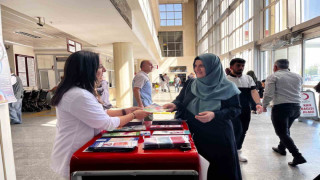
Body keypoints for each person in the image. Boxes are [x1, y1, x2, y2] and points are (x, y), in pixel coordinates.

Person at [50, 51, 151, 178]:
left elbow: (98, 113)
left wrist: (125, 111)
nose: (103, 70)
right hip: (74, 152)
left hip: (81, 150)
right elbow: (106, 123)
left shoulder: (78, 92)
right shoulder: (79, 95)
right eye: (99, 66)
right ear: (87, 69)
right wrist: (134, 115)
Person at [163, 53, 242, 180]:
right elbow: (180, 100)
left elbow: (235, 110)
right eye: (195, 65)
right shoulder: (191, 83)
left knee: (219, 170)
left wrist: (214, 115)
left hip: (218, 136)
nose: (197, 69)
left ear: (213, 67)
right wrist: (174, 105)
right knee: (197, 169)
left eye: (202, 66)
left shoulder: (228, 87)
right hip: (194, 135)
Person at [263, 59, 306, 166]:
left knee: (282, 132)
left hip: (281, 108)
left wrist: (264, 105)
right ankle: (281, 148)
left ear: (275, 67)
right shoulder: (298, 76)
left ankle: (297, 156)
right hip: (296, 107)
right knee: (285, 130)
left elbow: (268, 93)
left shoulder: (273, 76)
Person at [227, 58, 263, 162]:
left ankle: (238, 151)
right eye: (238, 65)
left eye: (242, 66)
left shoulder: (248, 78)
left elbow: (254, 92)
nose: (241, 68)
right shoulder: (226, 80)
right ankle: (230, 151)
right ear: (231, 67)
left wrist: (258, 104)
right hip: (231, 110)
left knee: (244, 130)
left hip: (245, 109)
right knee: (235, 130)